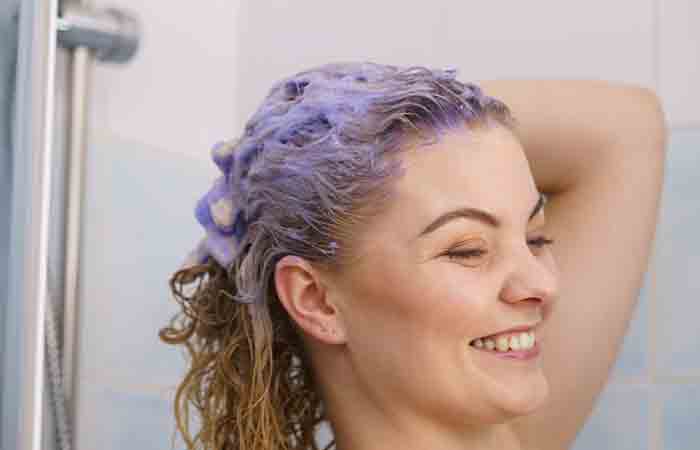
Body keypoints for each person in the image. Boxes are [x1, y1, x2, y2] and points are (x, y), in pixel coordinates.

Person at [159, 62, 667, 450]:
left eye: (536, 239)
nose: (542, 285)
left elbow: (628, 128)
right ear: (317, 300)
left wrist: (355, 127)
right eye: (468, 250)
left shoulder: (515, 429)